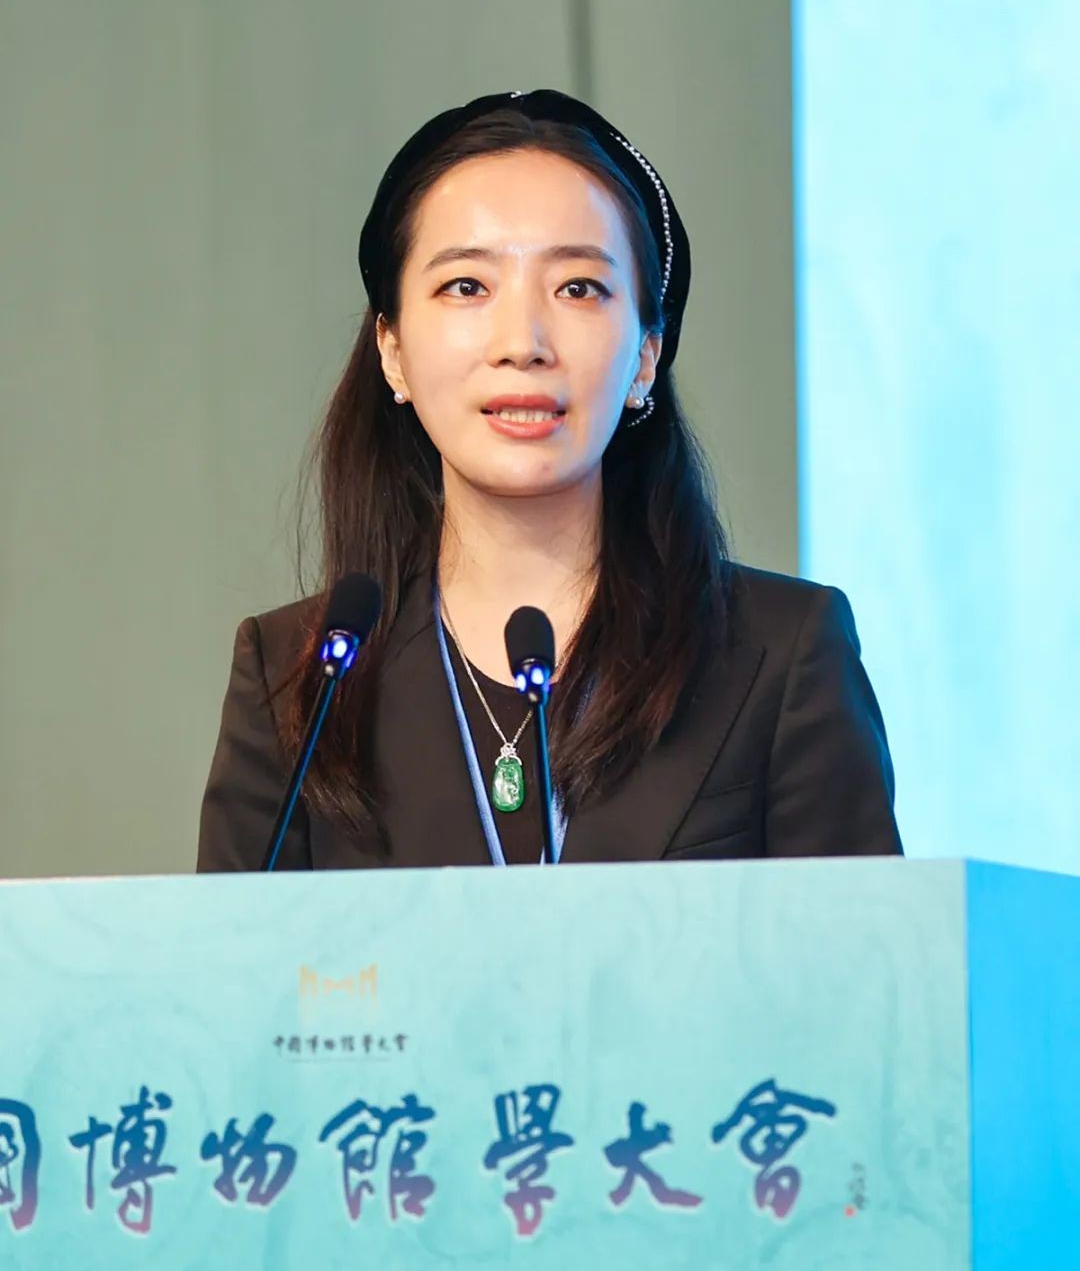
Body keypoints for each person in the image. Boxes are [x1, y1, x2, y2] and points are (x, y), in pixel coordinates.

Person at [196, 88, 902, 872]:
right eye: (467, 286)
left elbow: (863, 950)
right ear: (392, 351)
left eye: (578, 288)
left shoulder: (783, 652)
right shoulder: (301, 675)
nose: (522, 342)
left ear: (646, 357)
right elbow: (234, 951)